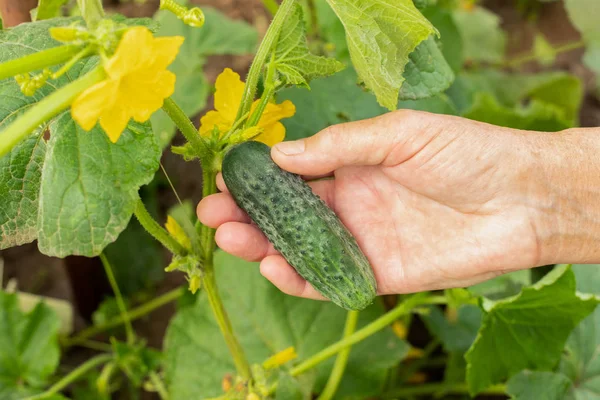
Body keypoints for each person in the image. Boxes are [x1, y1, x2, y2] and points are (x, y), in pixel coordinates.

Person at [197, 110, 600, 301]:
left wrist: (540, 192)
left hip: (353, 270)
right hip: (354, 267)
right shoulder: (246, 167)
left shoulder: (245, 167)